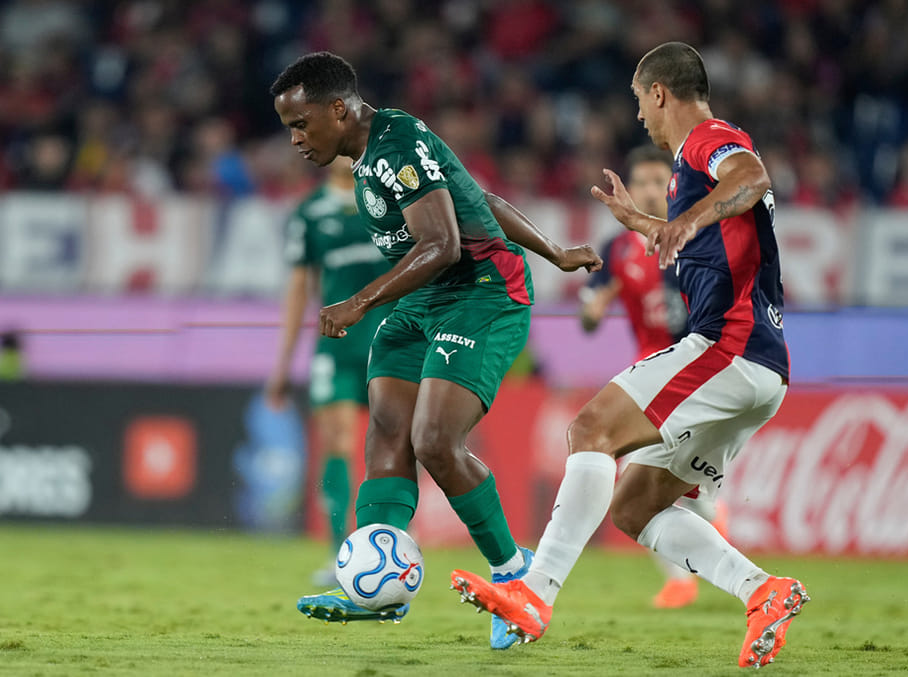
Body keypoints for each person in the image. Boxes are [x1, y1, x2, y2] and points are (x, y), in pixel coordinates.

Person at [451, 42, 809, 669]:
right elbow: (715, 232)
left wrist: (683, 221)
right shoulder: (687, 170)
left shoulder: (708, 138)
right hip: (763, 367)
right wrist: (643, 222)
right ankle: (763, 591)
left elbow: (752, 179)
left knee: (589, 429)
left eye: (640, 100)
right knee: (635, 505)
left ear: (660, 93)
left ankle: (535, 594)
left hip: (728, 346)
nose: (639, 115)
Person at [269, 52, 602, 649]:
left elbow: (445, 243)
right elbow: (481, 200)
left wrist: (360, 303)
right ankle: (374, 592)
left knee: (435, 441)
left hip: (483, 295)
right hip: (426, 301)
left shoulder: (395, 143)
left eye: (301, 123)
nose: (294, 138)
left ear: (339, 110)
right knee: (389, 431)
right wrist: (556, 250)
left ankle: (515, 578)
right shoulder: (372, 151)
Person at [579, 145, 728, 610]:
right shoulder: (618, 247)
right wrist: (594, 309)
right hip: (649, 374)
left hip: (700, 373)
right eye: (639, 181)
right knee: (638, 479)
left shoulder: (698, 237)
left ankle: (709, 520)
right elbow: (588, 317)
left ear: (673, 187)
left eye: (656, 182)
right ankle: (681, 579)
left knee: (685, 488)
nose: (647, 190)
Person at [267, 155, 393, 587]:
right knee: (336, 439)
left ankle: (388, 542)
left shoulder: (391, 200)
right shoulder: (309, 212)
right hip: (336, 347)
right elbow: (299, 288)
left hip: (390, 342)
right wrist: (283, 363)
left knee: (392, 443)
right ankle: (342, 552)